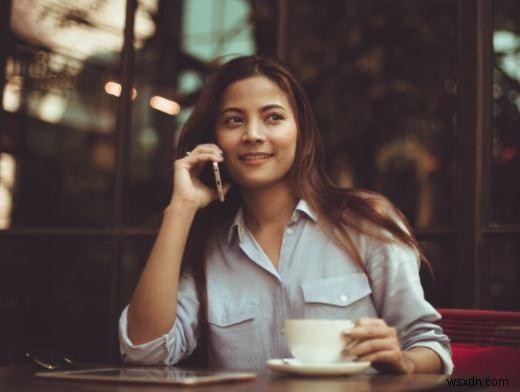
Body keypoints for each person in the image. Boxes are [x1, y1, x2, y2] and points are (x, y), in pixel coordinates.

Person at [118, 55, 453, 374]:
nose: (252, 134)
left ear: (300, 131)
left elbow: (430, 346)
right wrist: (181, 209)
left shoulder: (364, 222)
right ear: (216, 140)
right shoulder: (210, 248)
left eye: (273, 117)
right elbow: (143, 351)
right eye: (234, 120)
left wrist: (404, 362)